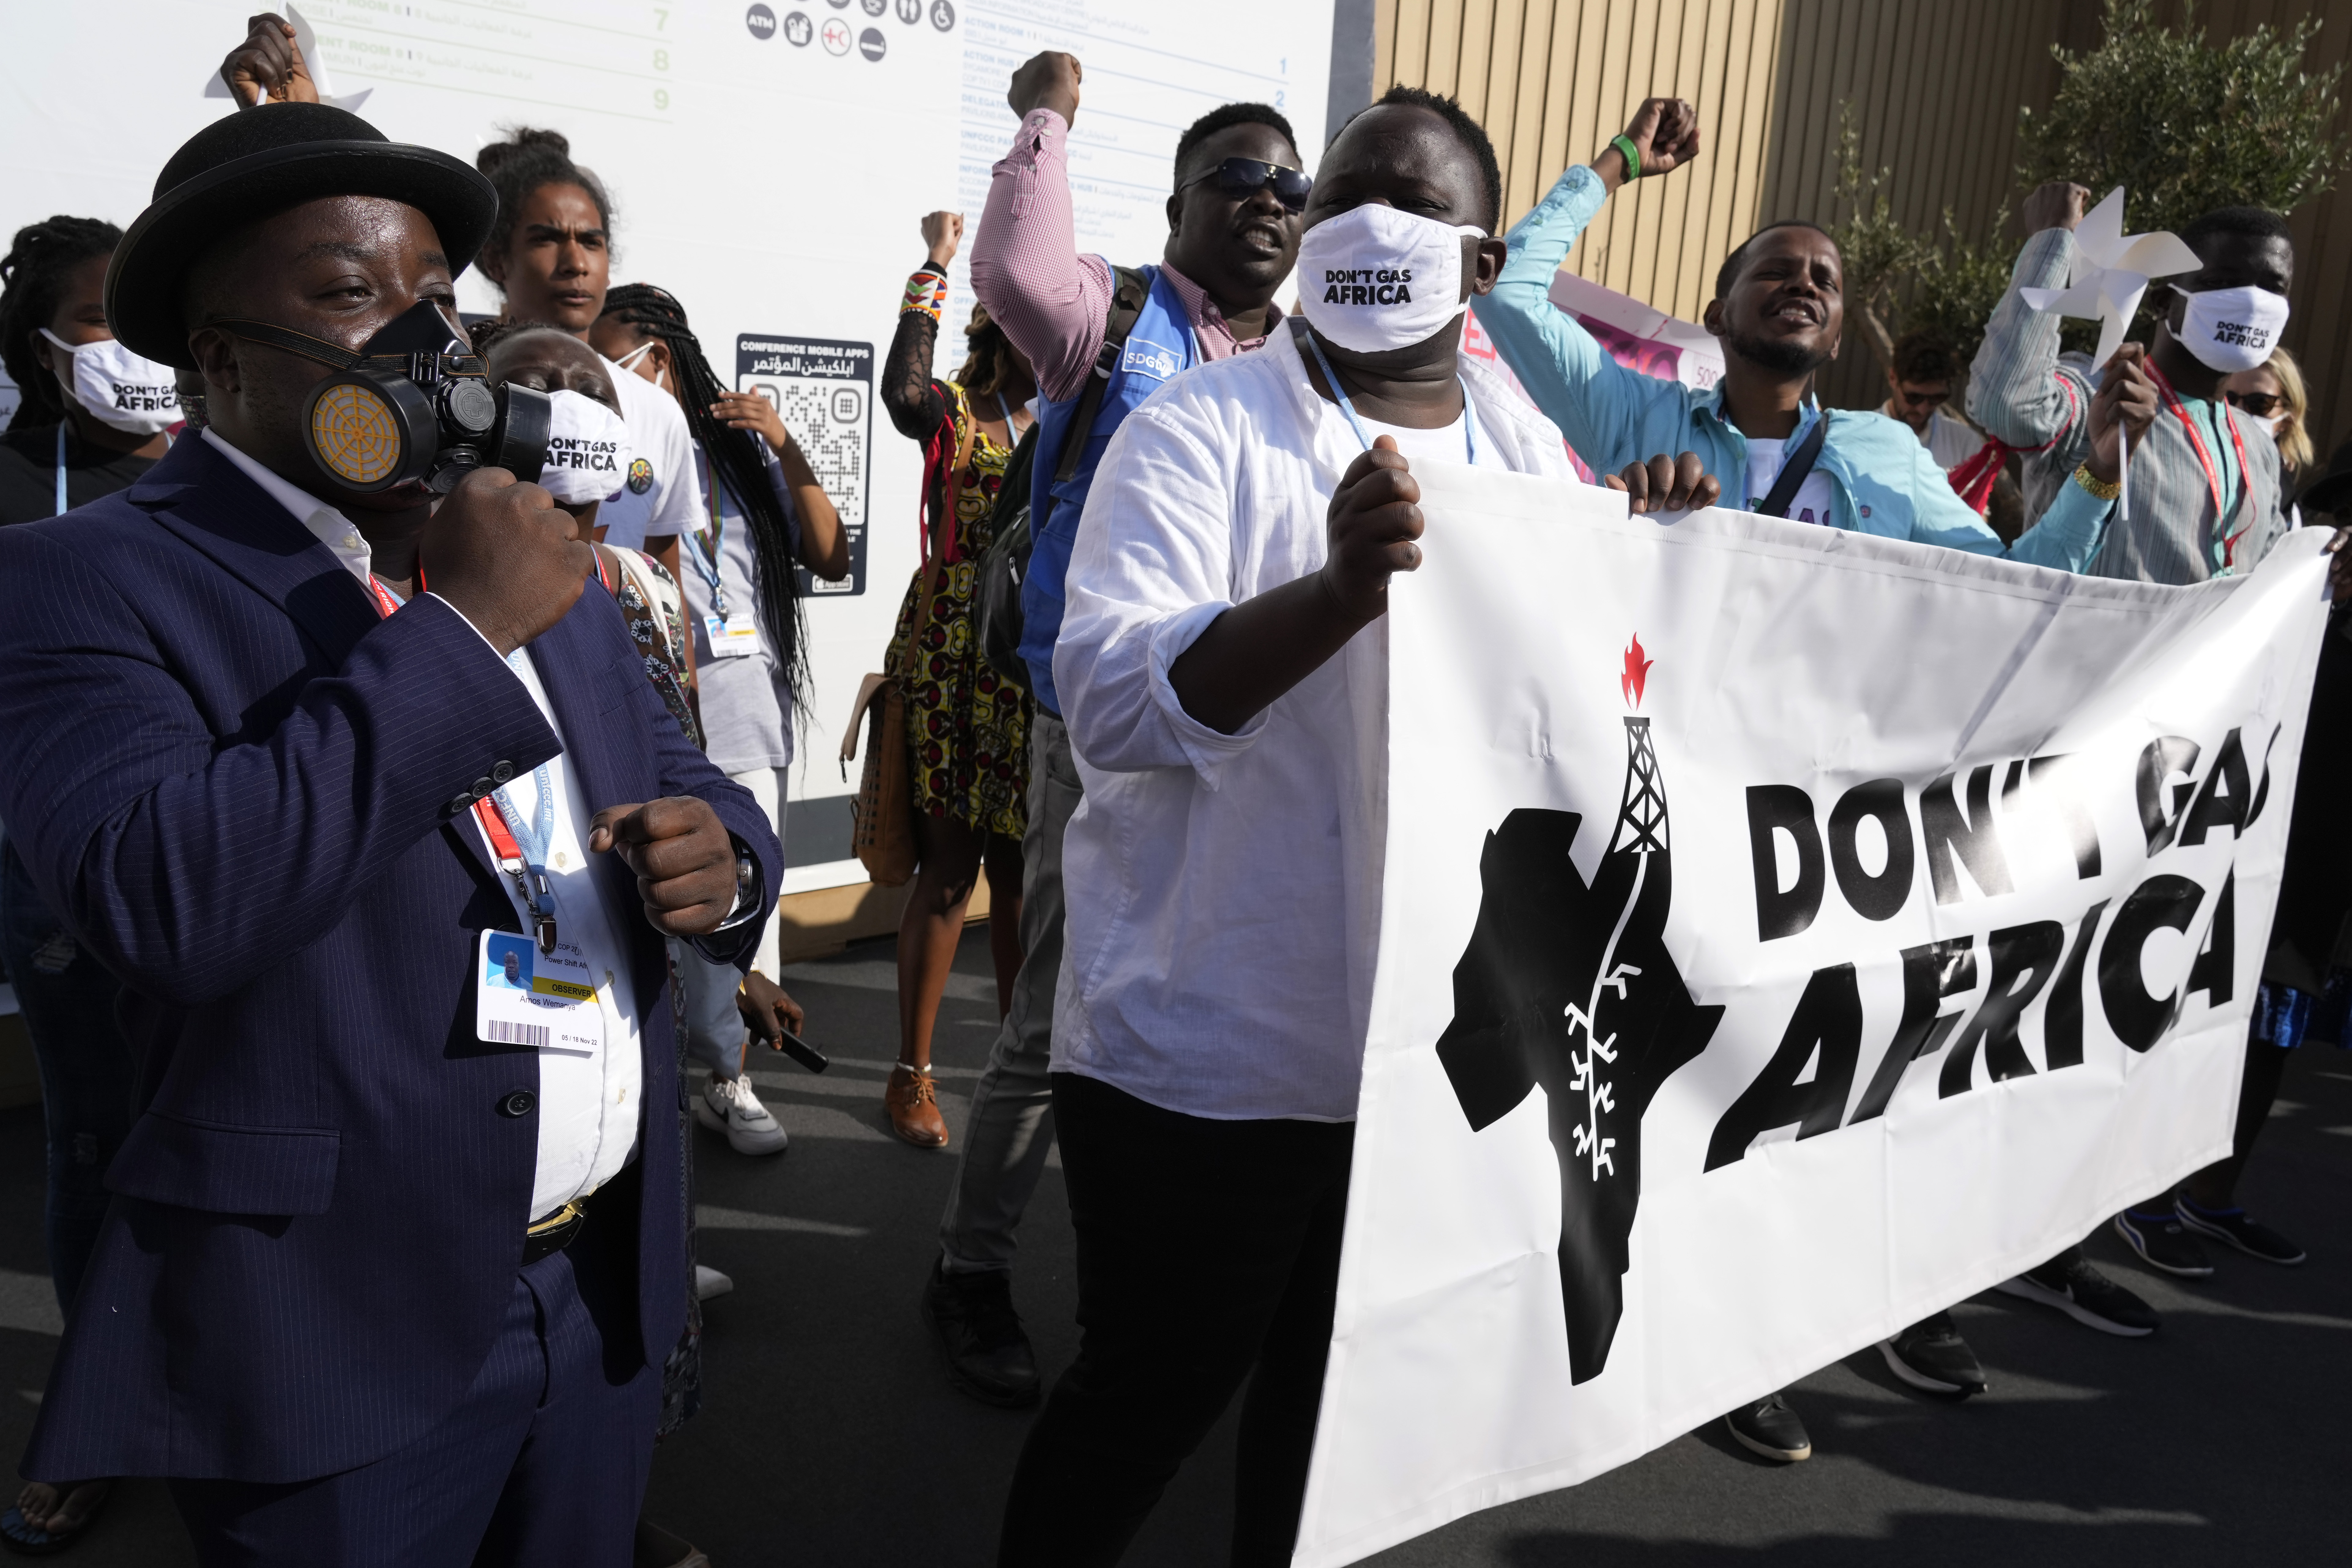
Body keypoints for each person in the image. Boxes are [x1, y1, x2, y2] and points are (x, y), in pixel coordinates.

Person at [0, 102, 779, 1566]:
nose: (425, 341)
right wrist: (466, 633)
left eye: (433, 295)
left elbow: (687, 770)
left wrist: (728, 858)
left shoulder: (528, 538)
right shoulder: (76, 583)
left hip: (598, 1290)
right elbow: (169, 901)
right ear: (218, 360)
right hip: (338, 1338)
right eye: (355, 298)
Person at [996, 84, 1718, 1564]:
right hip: (1210, 1059)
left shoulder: (1528, 456)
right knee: (1146, 1398)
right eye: (1347, 193)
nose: (1371, 220)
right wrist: (1330, 596)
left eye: (1419, 202)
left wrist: (1646, 549)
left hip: (1417, 1076)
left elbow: (1585, 709)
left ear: (1478, 261)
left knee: (1332, 1416)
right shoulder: (1203, 429)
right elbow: (1112, 698)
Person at [921, 48, 1313, 1410]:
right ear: (1178, 208)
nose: (1268, 199)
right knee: (1058, 1015)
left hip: (1264, 735)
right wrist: (1047, 115)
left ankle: (1156, 1288)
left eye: (1289, 183)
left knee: (1215, 1002)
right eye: (1236, 177)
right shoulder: (1116, 318)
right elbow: (1018, 275)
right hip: (1106, 730)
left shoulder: (1309, 362)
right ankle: (971, 1270)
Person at [1474, 97, 2131, 571]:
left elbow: (2020, 586)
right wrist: (1618, 163)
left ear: (1838, 337)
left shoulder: (1890, 453)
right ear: (1717, 315)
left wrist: (2100, 468)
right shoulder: (1632, 414)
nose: (1804, 286)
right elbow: (1505, 289)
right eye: (1776, 272)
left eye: (1826, 281)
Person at [219, 13, 702, 590]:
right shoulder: (424, 518)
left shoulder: (657, 418)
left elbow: (668, 596)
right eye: (352, 292)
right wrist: (294, 132)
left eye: (439, 298)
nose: (575, 263)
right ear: (497, 261)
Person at [0, 214, 182, 1555]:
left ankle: (238, 1399)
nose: (128, 351)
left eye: (140, 316)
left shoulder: (219, 477)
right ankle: (95, 1414)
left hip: (216, 869)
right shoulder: (10, 477)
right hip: (50, 887)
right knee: (89, 1143)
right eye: (98, 321)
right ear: (46, 345)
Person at [592, 283, 849, 1159]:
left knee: (739, 909)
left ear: (658, 358)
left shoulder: (739, 455)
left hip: (741, 716)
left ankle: (727, 1079)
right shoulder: (608, 456)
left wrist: (784, 441)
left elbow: (829, 550)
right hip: (649, 714)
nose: (600, 376)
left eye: (612, 355)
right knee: (647, 909)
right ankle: (644, 1105)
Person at [875, 211, 1036, 1150]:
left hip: (1027, 661)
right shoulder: (951, 410)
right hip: (944, 656)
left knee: (1019, 879)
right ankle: (910, 1074)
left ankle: (1014, 1075)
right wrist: (932, 268)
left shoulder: (1067, 419)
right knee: (949, 875)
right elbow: (900, 391)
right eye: (1015, 315)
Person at [1972, 182, 2295, 585]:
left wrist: (2333, 568)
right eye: (2222, 283)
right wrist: (2051, 242)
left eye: (2272, 288)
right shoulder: (2102, 394)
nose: (2250, 302)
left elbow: (2273, 579)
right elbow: (2004, 406)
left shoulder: (2260, 447)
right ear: (2163, 302)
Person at [1881, 329, 1985, 469]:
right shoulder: (1862, 438)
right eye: (1914, 397)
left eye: (1936, 398)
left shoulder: (1964, 444)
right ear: (1893, 378)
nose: (1922, 410)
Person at [2223, 345, 2315, 485]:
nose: (2238, 411)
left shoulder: (2280, 489)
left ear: (2288, 419)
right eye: (2229, 399)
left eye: (2259, 402)